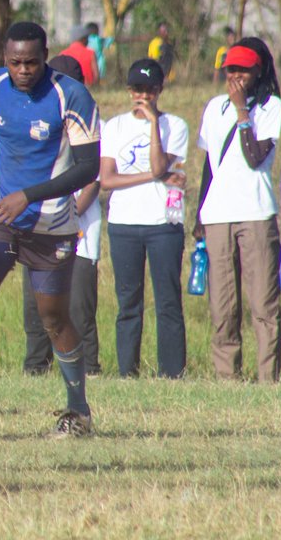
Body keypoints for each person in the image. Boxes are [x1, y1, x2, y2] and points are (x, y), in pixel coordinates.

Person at [0, 22, 100, 437]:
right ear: (4, 59)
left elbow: (88, 168)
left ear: (45, 55)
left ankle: (78, 410)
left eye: (31, 62)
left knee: (53, 318)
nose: (23, 70)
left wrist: (28, 196)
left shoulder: (72, 96)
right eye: (15, 62)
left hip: (51, 223)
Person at [194, 38, 281, 382]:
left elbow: (255, 156)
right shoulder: (214, 107)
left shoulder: (270, 106)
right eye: (230, 69)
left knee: (263, 302)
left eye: (243, 69)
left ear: (257, 71)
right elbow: (208, 165)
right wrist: (199, 216)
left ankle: (267, 379)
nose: (235, 75)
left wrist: (242, 111)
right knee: (223, 305)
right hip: (217, 215)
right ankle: (226, 378)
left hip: (256, 213)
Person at [100, 59, 188, 378]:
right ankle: (127, 373)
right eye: (138, 89)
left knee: (167, 301)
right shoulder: (114, 127)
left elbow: (158, 165)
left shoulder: (174, 125)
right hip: (124, 223)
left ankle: (172, 373)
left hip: (163, 224)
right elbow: (107, 179)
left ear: (160, 90)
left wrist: (152, 125)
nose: (144, 96)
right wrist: (155, 177)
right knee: (128, 303)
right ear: (128, 91)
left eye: (150, 89)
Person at [18, 55, 102, 377]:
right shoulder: (36, 120)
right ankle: (36, 367)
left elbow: (92, 178)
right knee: (34, 306)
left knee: (79, 307)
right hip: (39, 227)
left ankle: (89, 369)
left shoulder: (91, 118)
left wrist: (68, 214)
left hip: (79, 229)